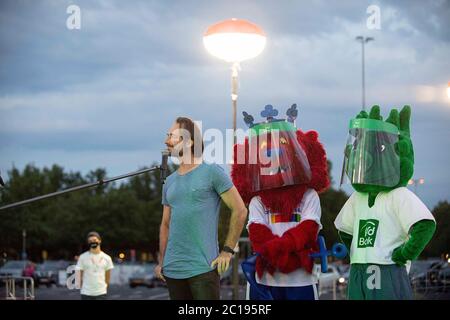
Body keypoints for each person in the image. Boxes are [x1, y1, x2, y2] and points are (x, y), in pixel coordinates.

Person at [334, 105, 436, 300]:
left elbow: (425, 225)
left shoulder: (398, 195)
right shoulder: (357, 198)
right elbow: (345, 229)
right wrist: (355, 252)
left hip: (387, 269)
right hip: (359, 270)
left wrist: (403, 254)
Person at [231, 104, 330, 300]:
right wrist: (286, 254)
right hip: (265, 281)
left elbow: (309, 229)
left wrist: (277, 252)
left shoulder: (309, 195)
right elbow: (257, 232)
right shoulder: (258, 200)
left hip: (301, 280)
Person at [154, 117, 248, 300]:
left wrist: (227, 251)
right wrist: (161, 262)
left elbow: (240, 210)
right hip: (172, 270)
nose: (166, 141)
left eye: (171, 136)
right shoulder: (169, 181)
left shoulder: (212, 172)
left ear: (188, 141)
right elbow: (165, 224)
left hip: (203, 269)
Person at [75, 231, 114, 300]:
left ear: (99, 241)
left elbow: (107, 277)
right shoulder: (82, 257)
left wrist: (104, 288)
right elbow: (79, 275)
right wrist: (83, 288)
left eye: (94, 240)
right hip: (86, 293)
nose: (92, 242)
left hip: (101, 293)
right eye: (90, 241)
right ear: (88, 243)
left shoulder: (107, 258)